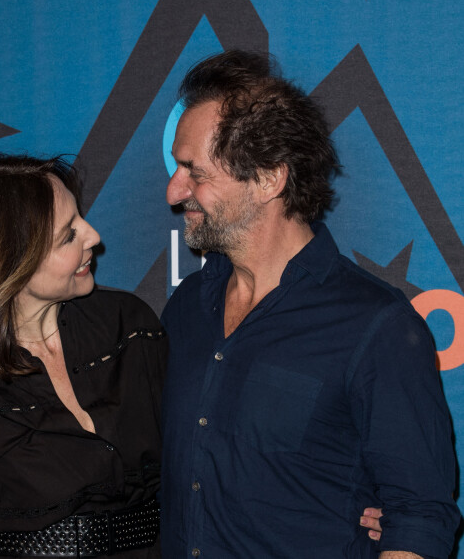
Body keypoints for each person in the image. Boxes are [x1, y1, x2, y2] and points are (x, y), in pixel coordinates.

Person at [160, 50, 460, 558]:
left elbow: (420, 518)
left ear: (269, 179)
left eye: (195, 172)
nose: (173, 191)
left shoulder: (374, 326)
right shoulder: (188, 307)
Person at [0, 154, 167, 558]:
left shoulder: (129, 327)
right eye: (68, 235)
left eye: (81, 219)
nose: (93, 236)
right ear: (6, 265)